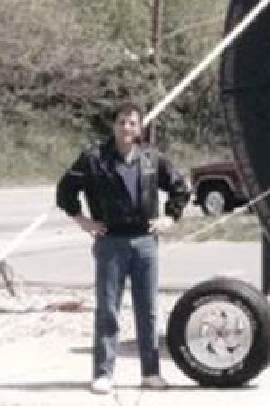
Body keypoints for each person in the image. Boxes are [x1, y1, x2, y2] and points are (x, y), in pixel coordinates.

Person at [56, 101, 191, 394]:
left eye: (132, 123)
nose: (127, 128)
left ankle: (151, 373)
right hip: (110, 241)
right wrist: (83, 221)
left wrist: (170, 217)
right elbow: (65, 190)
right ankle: (103, 373)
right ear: (113, 125)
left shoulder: (152, 158)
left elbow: (180, 187)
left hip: (145, 241)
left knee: (148, 310)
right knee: (108, 309)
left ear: (139, 127)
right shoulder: (94, 159)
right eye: (121, 122)